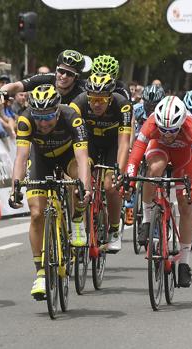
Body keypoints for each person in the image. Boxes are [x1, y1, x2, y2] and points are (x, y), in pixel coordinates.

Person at [9, 84, 91, 299]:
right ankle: (41, 273)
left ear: (57, 111)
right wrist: (15, 186)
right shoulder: (25, 120)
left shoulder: (72, 117)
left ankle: (77, 220)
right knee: (36, 213)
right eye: (38, 117)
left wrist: (85, 188)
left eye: (47, 117)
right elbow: (21, 156)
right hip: (40, 158)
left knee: (76, 182)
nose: (42, 123)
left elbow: (82, 158)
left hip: (68, 156)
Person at [125, 96, 192, 288]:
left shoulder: (191, 127)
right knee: (155, 169)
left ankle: (183, 262)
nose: (167, 134)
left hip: (184, 157)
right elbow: (135, 156)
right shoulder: (151, 122)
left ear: (182, 123)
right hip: (158, 150)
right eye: (163, 130)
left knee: (185, 205)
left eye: (173, 131)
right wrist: (130, 182)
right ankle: (147, 219)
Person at [69, 72, 132, 252]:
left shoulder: (123, 106)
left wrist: (119, 171)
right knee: (80, 180)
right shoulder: (78, 103)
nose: (96, 104)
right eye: (93, 99)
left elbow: (124, 143)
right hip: (90, 143)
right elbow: (71, 135)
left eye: (102, 100)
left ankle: (113, 230)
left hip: (113, 144)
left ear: (110, 98)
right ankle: (78, 222)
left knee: (110, 186)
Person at [0, 49, 86, 105]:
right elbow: (16, 86)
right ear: (56, 69)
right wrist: (3, 92)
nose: (64, 76)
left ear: (76, 77)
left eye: (70, 74)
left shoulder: (83, 88)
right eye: (61, 71)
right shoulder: (46, 79)